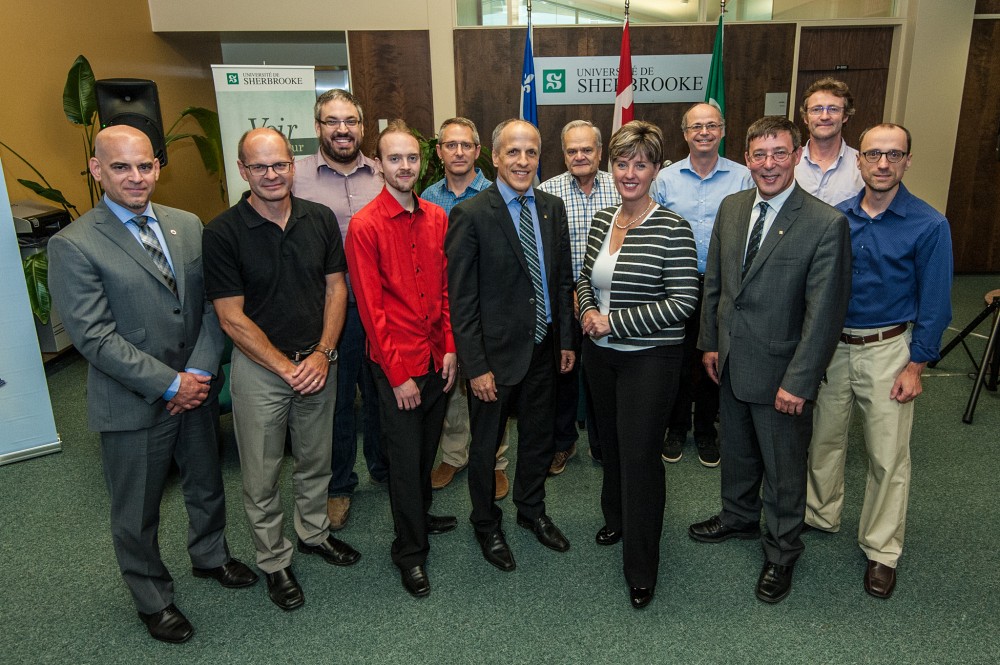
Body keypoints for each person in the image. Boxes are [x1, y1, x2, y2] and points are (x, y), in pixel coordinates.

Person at [47, 125, 256, 644]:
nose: (136, 177)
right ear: (98, 170)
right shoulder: (72, 244)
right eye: (121, 167)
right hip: (133, 401)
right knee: (135, 509)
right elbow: (93, 337)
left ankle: (210, 556)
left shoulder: (185, 223)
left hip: (199, 388)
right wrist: (170, 384)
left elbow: (213, 305)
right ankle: (152, 597)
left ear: (157, 167)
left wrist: (202, 373)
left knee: (207, 484)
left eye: (145, 165)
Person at [688, 116, 851, 604]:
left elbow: (824, 315)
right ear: (747, 157)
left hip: (783, 371)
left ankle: (782, 552)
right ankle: (737, 517)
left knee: (782, 467)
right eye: (758, 155)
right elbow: (716, 284)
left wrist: (799, 382)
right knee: (736, 449)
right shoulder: (733, 207)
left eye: (779, 153)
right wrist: (711, 343)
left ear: (797, 155)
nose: (768, 164)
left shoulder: (825, 223)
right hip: (733, 359)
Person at [203, 128, 360, 612]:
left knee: (316, 460)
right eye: (260, 167)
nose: (272, 175)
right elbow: (231, 316)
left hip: (317, 362)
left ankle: (313, 533)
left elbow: (337, 289)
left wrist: (322, 354)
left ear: (293, 167)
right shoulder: (223, 232)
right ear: (242, 170)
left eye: (280, 165)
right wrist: (284, 366)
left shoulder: (319, 218)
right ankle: (274, 560)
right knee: (262, 473)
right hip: (261, 372)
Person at [806, 123, 953, 599]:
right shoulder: (835, 218)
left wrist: (917, 365)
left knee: (887, 456)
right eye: (874, 155)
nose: (883, 164)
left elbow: (936, 303)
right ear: (860, 161)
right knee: (823, 439)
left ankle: (882, 550)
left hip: (891, 348)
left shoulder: (929, 224)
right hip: (834, 345)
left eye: (893, 155)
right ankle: (820, 513)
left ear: (907, 161)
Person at [577, 120, 699, 609]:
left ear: (655, 170)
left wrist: (615, 323)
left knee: (641, 456)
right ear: (612, 167)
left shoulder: (673, 227)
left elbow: (684, 301)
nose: (630, 172)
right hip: (599, 359)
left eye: (640, 164)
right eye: (622, 163)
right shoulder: (603, 218)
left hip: (649, 361)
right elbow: (585, 278)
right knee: (609, 444)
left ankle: (642, 565)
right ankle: (617, 518)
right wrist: (587, 309)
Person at [446, 118, 576, 571]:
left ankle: (531, 510)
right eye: (514, 153)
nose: (523, 161)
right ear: (496, 157)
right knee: (485, 449)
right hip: (493, 361)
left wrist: (566, 339)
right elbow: (461, 301)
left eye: (532, 153)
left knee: (539, 439)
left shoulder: (551, 208)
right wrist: (475, 366)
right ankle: (486, 523)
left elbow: (561, 282)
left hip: (544, 348)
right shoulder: (472, 214)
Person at [345, 121, 459, 598]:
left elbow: (447, 289)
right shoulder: (364, 225)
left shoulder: (437, 216)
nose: (405, 166)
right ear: (379, 164)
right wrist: (397, 376)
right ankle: (409, 553)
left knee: (424, 454)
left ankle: (419, 514)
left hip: (437, 359)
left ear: (422, 161)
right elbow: (372, 312)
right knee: (404, 458)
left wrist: (451, 345)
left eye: (412, 158)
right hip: (398, 366)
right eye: (395, 159)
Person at [294, 88, 387, 531]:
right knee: (337, 402)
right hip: (330, 311)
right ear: (318, 128)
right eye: (332, 121)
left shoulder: (385, 173)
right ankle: (340, 485)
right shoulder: (293, 177)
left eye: (350, 120)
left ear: (362, 127)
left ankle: (387, 471)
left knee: (384, 393)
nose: (342, 129)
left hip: (383, 309)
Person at [652, 103, 753, 467]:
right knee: (677, 358)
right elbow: (654, 229)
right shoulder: (666, 179)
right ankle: (676, 427)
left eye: (712, 126)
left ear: (723, 131)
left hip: (723, 282)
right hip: (676, 282)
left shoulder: (743, 177)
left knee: (713, 355)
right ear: (685, 134)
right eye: (696, 127)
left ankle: (707, 431)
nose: (704, 132)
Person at [421, 117, 510, 497]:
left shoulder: (495, 194)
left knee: (491, 386)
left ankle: (495, 460)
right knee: (451, 383)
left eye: (466, 145)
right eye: (450, 145)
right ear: (439, 152)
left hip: (486, 308)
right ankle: (455, 455)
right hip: (442, 307)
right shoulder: (426, 197)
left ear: (478, 151)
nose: (458, 152)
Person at [538, 119, 621, 471]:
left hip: (611, 301)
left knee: (606, 375)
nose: (580, 156)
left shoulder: (621, 188)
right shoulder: (548, 191)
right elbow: (543, 251)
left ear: (600, 152)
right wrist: (571, 292)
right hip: (564, 298)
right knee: (564, 373)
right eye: (572, 150)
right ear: (563, 154)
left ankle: (604, 444)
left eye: (587, 149)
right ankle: (564, 442)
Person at [794, 77, 864, 206]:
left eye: (833, 109)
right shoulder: (789, 163)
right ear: (805, 117)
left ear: (845, 116)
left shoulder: (862, 166)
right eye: (816, 109)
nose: (825, 116)